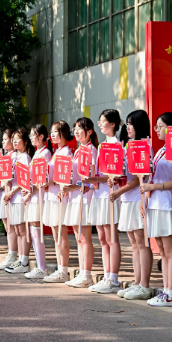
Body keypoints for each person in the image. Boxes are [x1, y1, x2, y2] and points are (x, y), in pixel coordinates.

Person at [112, 110, 154, 300]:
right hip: (127, 198)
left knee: (141, 242)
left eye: (131, 123)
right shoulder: (128, 146)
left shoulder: (144, 146)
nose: (127, 127)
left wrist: (119, 191)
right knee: (134, 243)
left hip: (138, 198)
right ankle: (137, 282)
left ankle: (144, 284)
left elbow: (140, 178)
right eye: (127, 124)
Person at [140, 112, 172, 306]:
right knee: (162, 250)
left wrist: (154, 187)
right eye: (156, 126)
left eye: (160, 126)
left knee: (170, 249)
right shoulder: (160, 150)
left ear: (171, 128)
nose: (157, 129)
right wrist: (146, 198)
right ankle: (166, 290)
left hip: (167, 203)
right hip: (155, 203)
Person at [87, 109, 124, 294]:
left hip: (110, 194)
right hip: (99, 194)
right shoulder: (101, 146)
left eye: (103, 121)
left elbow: (119, 174)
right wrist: (90, 179)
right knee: (102, 237)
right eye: (99, 121)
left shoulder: (118, 145)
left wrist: (100, 178)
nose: (100, 124)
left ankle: (114, 279)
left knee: (111, 237)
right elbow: (99, 172)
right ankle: (106, 275)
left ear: (113, 124)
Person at [63, 118, 99, 288]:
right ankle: (81, 272)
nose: (76, 132)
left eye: (80, 128)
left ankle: (87, 274)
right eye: (75, 128)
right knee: (78, 236)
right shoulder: (78, 151)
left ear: (89, 131)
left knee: (85, 237)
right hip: (75, 196)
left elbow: (92, 178)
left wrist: (76, 187)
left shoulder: (91, 150)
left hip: (86, 197)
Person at [42, 120, 74, 283]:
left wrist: (51, 182)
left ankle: (64, 270)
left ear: (64, 133)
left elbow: (66, 176)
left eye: (56, 131)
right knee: (56, 234)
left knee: (61, 233)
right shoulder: (57, 152)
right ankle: (60, 268)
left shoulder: (66, 152)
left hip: (60, 196)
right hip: (52, 195)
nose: (52, 135)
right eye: (52, 132)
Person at [22, 124, 52, 279]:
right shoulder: (37, 153)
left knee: (36, 231)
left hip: (39, 195)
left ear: (41, 136)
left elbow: (43, 179)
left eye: (34, 135)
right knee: (33, 231)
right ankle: (40, 266)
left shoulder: (45, 153)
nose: (31, 138)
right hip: (33, 194)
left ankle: (42, 267)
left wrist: (30, 191)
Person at [3, 128, 33, 273]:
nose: (14, 141)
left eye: (18, 139)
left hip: (21, 197)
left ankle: (24, 261)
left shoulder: (25, 158)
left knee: (23, 230)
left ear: (25, 141)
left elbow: (24, 180)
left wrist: (11, 192)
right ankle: (20, 259)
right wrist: (8, 191)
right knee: (17, 229)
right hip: (13, 197)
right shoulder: (14, 157)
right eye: (13, 139)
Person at [0, 130, 19, 269]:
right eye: (3, 139)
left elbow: (11, 177)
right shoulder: (5, 156)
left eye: (5, 139)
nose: (3, 142)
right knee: (7, 226)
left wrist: (0, 187)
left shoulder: (14, 156)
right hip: (4, 193)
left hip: (10, 193)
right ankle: (11, 253)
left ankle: (13, 254)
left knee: (11, 226)